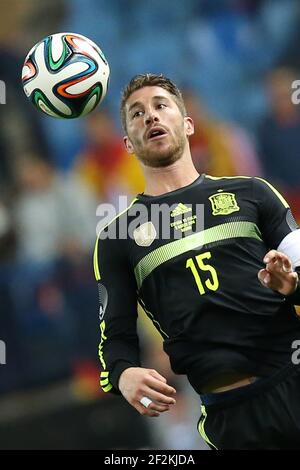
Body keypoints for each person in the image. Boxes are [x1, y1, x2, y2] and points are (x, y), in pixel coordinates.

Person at [93, 74, 300, 450]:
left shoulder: (254, 193)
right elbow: (116, 339)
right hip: (231, 419)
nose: (150, 117)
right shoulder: (116, 239)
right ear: (127, 144)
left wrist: (293, 284)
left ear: (188, 124)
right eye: (137, 113)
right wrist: (123, 376)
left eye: (160, 105)